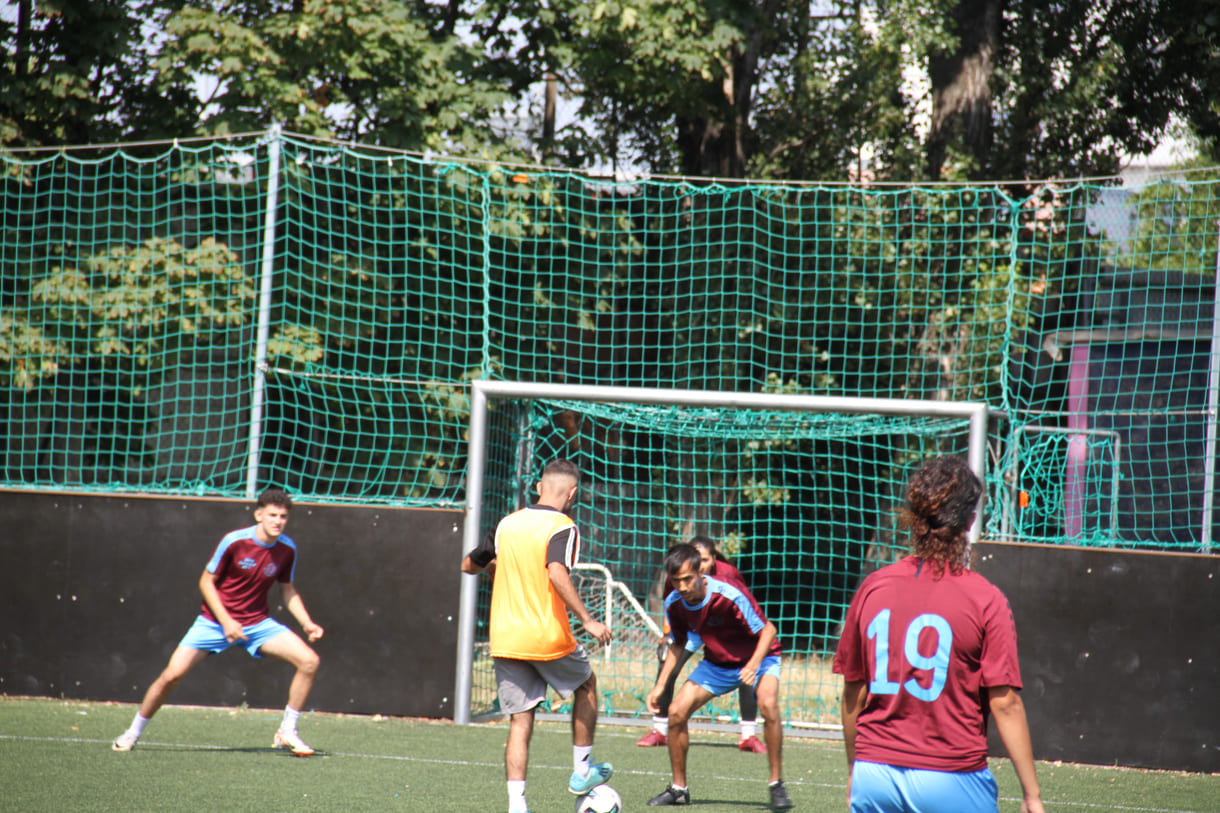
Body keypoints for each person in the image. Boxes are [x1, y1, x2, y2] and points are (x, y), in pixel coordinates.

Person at [832, 455, 1045, 813]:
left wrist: (857, 768)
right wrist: (1032, 794)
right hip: (949, 774)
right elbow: (1005, 703)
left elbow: (853, 691)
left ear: (914, 518)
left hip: (874, 775)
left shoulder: (873, 587)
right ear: (970, 521)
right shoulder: (985, 598)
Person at [112, 487, 324, 756]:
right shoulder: (234, 541)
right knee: (171, 676)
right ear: (258, 515)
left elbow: (287, 589)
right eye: (272, 515)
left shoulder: (287, 549)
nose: (278, 521)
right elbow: (206, 582)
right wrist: (226, 622)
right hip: (213, 623)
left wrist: (307, 623)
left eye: (283, 516)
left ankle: (287, 731)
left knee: (309, 661)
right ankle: (132, 733)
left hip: (257, 624)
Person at [460, 458, 614, 813]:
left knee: (520, 719)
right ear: (572, 493)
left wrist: (500, 569)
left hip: (506, 638)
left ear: (539, 487)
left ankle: (517, 806)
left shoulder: (507, 524)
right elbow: (556, 571)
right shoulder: (563, 526)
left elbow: (469, 565)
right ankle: (581, 772)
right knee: (587, 686)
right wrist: (588, 620)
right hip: (546, 637)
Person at [645, 543, 793, 811]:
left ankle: (776, 784)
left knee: (768, 704)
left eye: (688, 579)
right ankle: (679, 789)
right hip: (717, 664)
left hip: (761, 656)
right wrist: (659, 686)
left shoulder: (729, 592)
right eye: (676, 581)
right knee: (676, 712)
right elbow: (678, 644)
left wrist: (753, 665)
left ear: (701, 572)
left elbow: (769, 630)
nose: (683, 587)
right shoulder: (674, 603)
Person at [638, 535, 768, 754]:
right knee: (668, 663)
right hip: (693, 629)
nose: (702, 564)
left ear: (713, 560)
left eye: (705, 560)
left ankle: (748, 735)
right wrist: (666, 635)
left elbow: (745, 605)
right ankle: (659, 730)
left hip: (720, 629)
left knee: (746, 666)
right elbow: (671, 607)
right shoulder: (679, 575)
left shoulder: (728, 575)